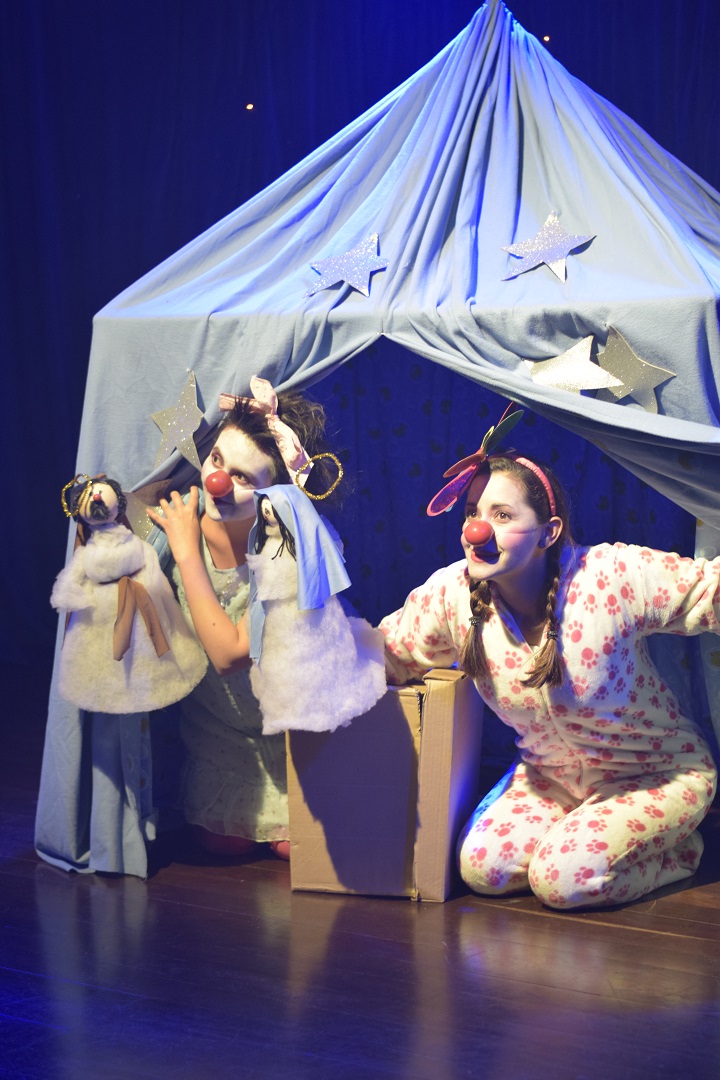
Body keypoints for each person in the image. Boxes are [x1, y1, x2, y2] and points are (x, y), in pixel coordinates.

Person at [379, 407, 718, 909]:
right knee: (483, 870)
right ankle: (577, 834)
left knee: (561, 882)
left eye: (502, 515)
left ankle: (681, 851)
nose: (476, 530)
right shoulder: (452, 594)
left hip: (656, 773)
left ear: (549, 531)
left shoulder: (609, 576)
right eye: (472, 512)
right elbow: (387, 653)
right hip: (550, 780)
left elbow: (708, 590)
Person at [147, 376, 338, 860]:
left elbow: (231, 654)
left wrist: (186, 553)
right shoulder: (183, 520)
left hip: (293, 735)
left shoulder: (284, 550)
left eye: (243, 478)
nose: (217, 482)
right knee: (220, 840)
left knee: (297, 850)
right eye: (216, 461)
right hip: (219, 737)